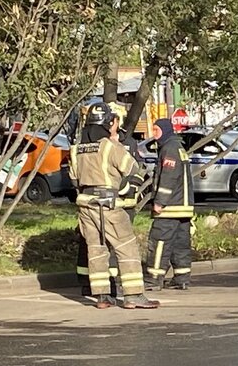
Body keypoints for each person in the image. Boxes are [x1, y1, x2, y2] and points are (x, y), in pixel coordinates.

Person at [70, 102, 158, 309]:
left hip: (85, 206)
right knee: (126, 247)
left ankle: (102, 297)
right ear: (107, 124)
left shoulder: (76, 150)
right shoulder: (111, 147)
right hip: (109, 205)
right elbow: (133, 169)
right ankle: (134, 295)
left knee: (96, 249)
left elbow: (74, 180)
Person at [144, 118, 194, 291]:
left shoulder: (170, 148)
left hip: (170, 208)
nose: (153, 134)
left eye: (156, 130)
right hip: (183, 208)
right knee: (181, 244)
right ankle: (182, 278)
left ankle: (154, 278)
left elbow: (168, 177)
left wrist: (159, 202)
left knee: (159, 242)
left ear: (164, 130)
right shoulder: (177, 146)